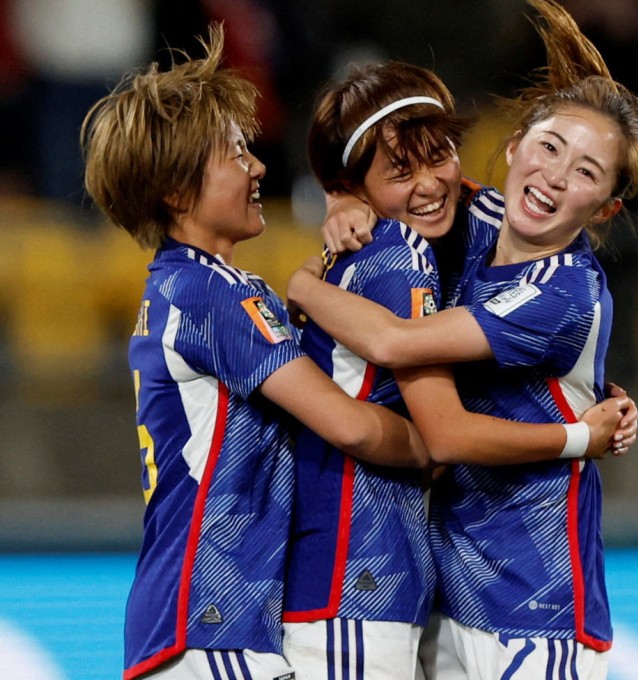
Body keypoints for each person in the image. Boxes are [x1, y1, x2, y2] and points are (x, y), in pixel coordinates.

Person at [285, 1, 638, 677]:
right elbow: (402, 178)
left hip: (536, 607)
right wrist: (344, 198)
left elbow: (408, 365)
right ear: (513, 147)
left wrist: (304, 285)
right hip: (449, 597)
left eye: (586, 172)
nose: (555, 176)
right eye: (549, 148)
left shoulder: (564, 291)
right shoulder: (475, 216)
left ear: (606, 208)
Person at [80, 24, 433, 680]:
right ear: (177, 191)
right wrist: (439, 443)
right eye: (236, 154)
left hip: (198, 618)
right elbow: (349, 425)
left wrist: (335, 230)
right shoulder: (210, 293)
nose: (258, 167)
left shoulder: (192, 286)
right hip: (208, 620)